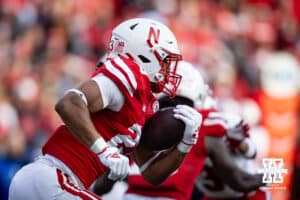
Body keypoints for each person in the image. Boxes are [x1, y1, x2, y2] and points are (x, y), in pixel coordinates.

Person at [9, 18, 202, 200]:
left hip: (60, 183)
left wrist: (185, 144)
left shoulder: (144, 103)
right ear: (144, 53)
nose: (168, 70)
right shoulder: (129, 73)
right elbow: (68, 104)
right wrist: (105, 151)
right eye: (165, 61)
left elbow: (151, 174)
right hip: (50, 179)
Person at [93, 61, 265, 200]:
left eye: (181, 104)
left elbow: (101, 187)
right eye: (167, 104)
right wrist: (274, 174)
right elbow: (239, 180)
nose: (173, 112)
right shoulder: (138, 126)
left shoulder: (138, 123)